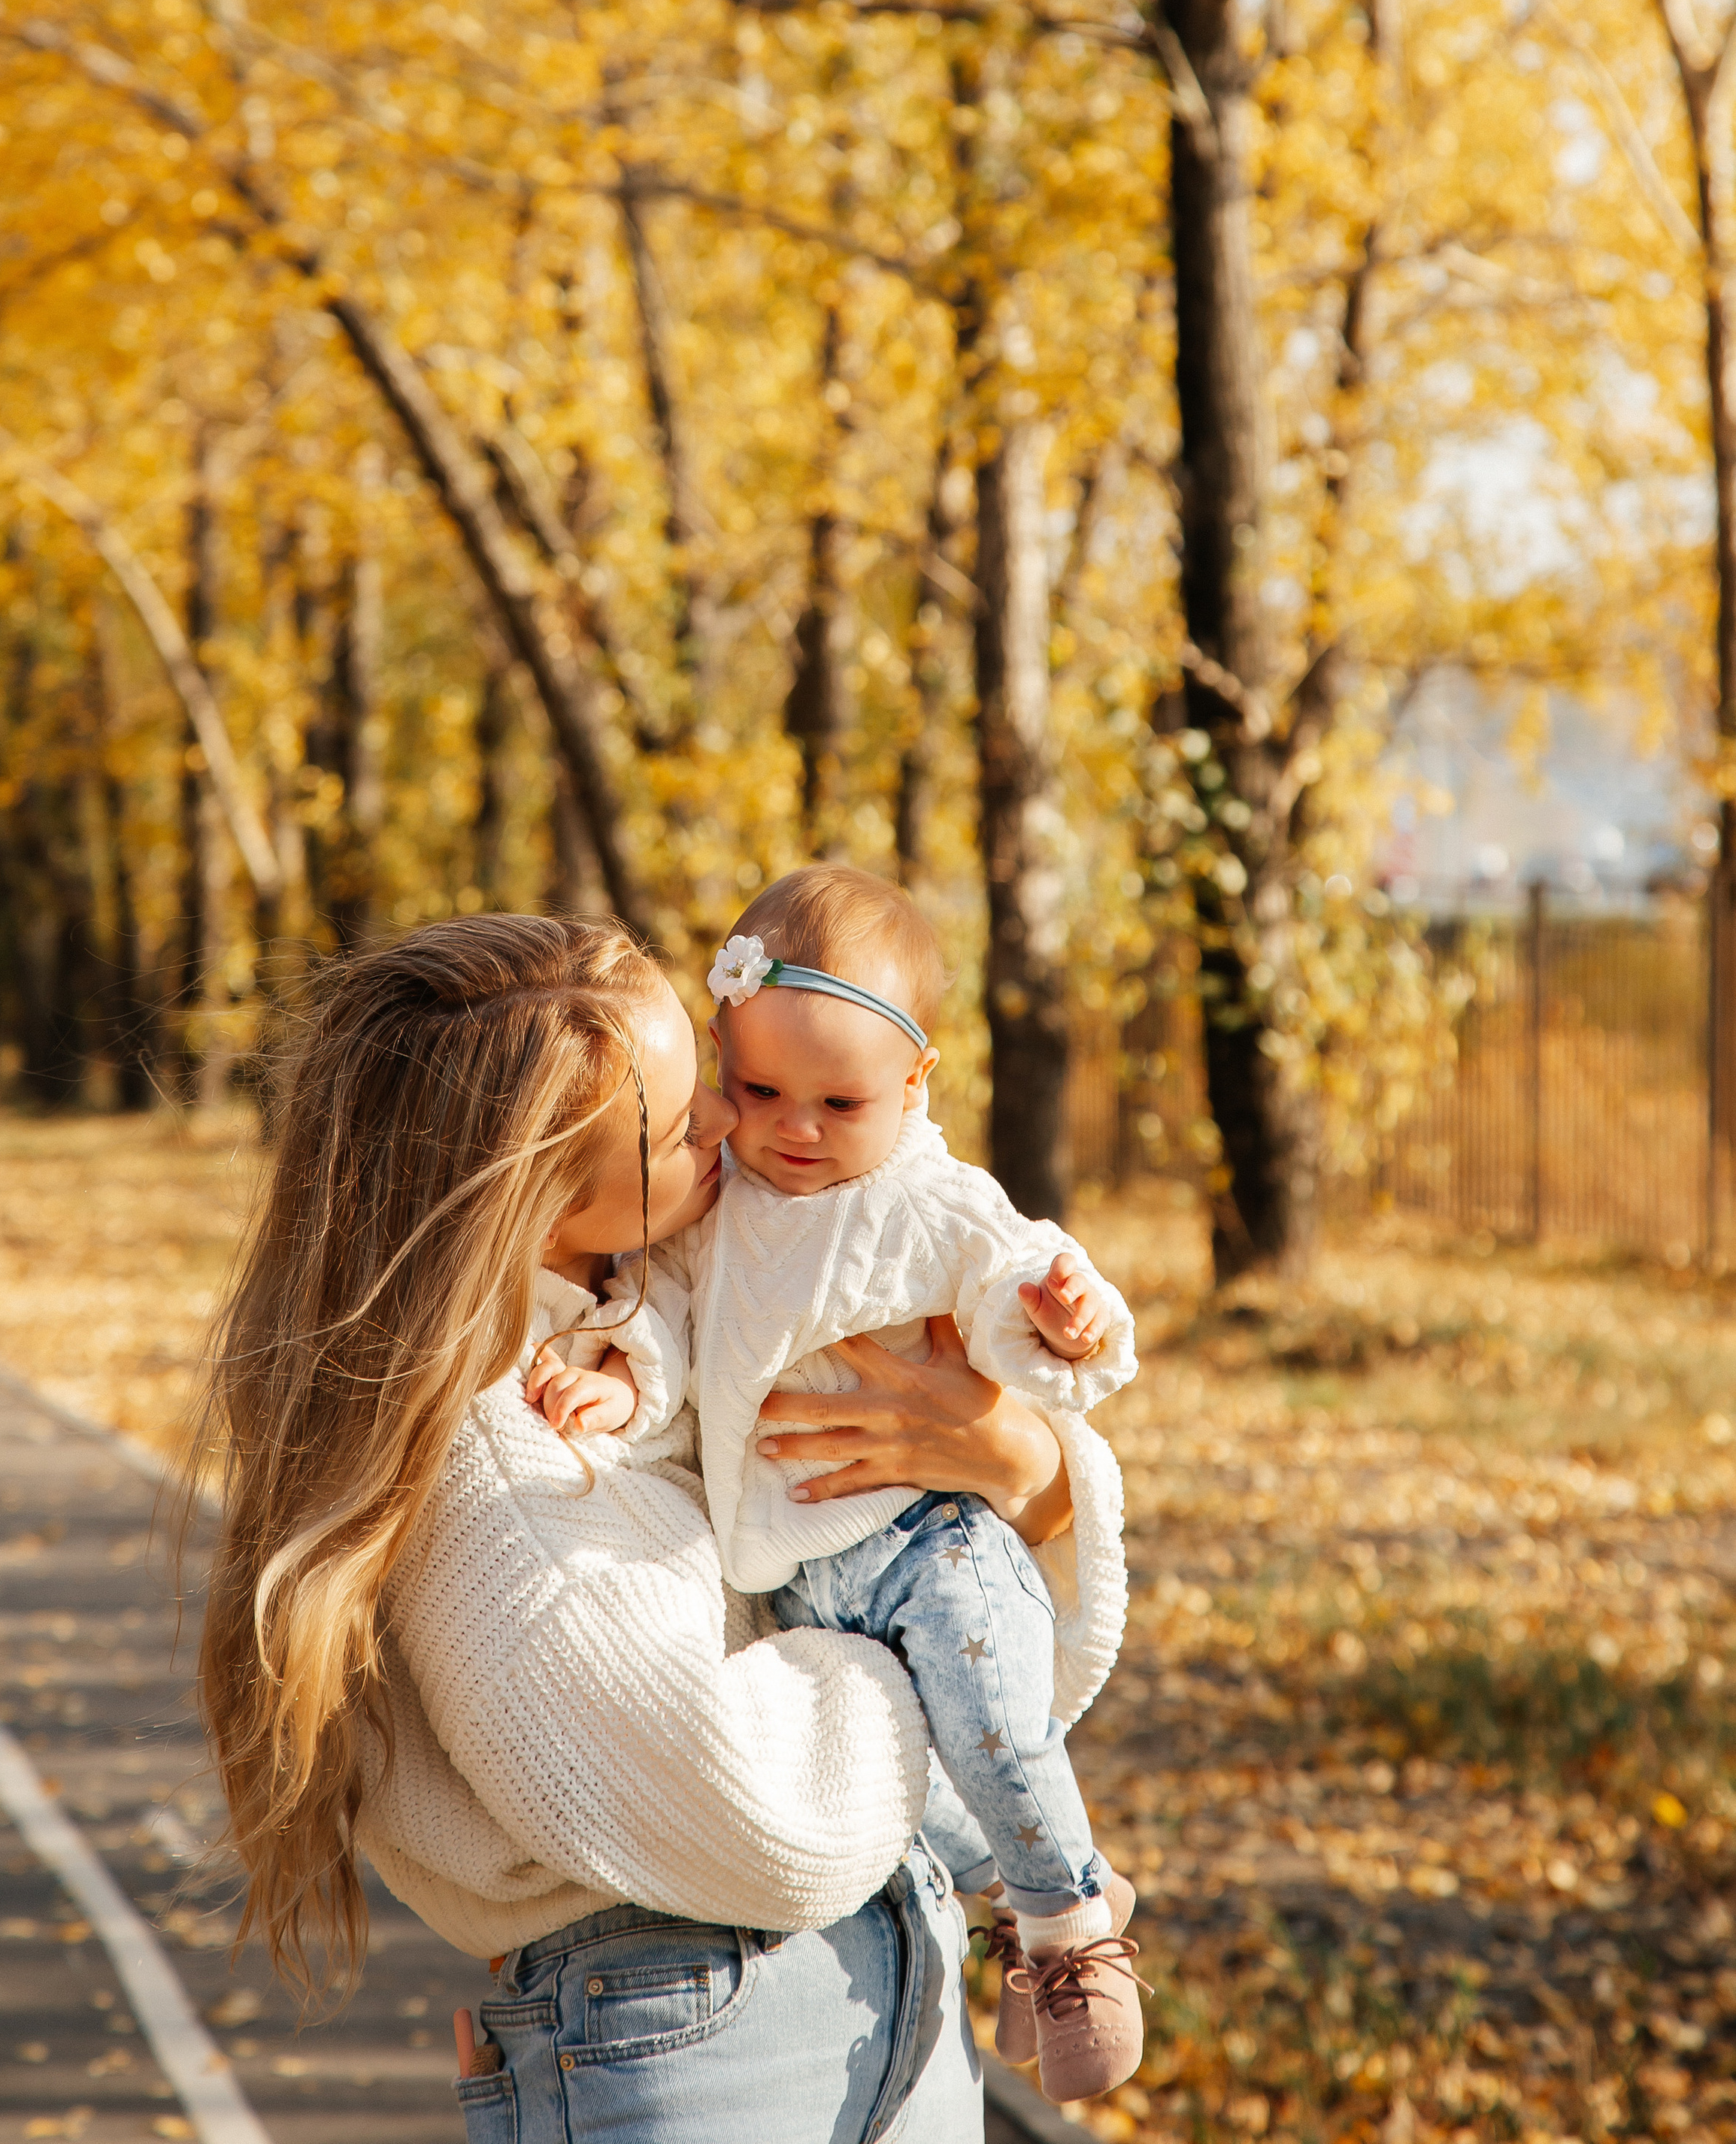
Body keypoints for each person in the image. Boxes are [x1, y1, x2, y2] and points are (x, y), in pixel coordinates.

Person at [189, 913, 1131, 2142]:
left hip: (860, 1996)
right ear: (535, 1188)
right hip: (702, 2045)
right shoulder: (492, 1457)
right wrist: (949, 1664)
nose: (738, 1129)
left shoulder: (642, 1301)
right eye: (694, 1118)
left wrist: (1027, 1467)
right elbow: (752, 1809)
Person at [533, 866, 1144, 2104]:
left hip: (930, 1539)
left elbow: (1019, 1281)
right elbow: (668, 1318)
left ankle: (1076, 1929)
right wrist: (624, 1382)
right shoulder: (717, 1209)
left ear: (916, 1085)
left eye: (839, 1101)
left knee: (989, 1717)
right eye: (757, 1091)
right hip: (801, 1568)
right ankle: (1026, 1894)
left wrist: (1067, 1319)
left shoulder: (929, 1196)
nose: (793, 1128)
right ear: (720, 1063)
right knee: (930, 1784)